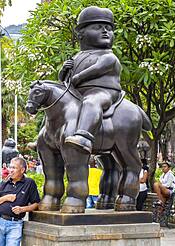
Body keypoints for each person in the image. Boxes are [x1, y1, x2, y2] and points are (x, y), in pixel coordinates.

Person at [59, 6, 122, 154]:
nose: (105, 31)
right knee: (57, 105)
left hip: (103, 92)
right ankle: (46, 135)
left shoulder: (108, 56)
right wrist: (63, 71)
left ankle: (84, 136)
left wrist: (77, 77)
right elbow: (64, 81)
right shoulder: (77, 57)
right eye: (98, 27)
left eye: (108, 28)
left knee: (92, 101)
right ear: (81, 34)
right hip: (77, 93)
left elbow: (97, 69)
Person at [0, 157, 40, 246]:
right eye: (10, 167)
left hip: (15, 224)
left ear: (22, 170)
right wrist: (5, 198)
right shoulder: (4, 182)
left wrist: (22, 209)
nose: (10, 170)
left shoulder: (29, 183)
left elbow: (36, 204)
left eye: (14, 168)